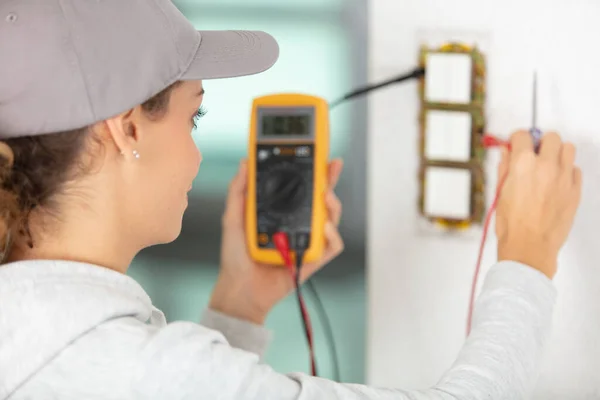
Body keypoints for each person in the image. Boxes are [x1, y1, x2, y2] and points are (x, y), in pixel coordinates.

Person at [0, 1, 582, 399]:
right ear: (127, 129)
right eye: (194, 114)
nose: (197, 157)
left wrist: (239, 304)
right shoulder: (150, 372)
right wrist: (528, 255)